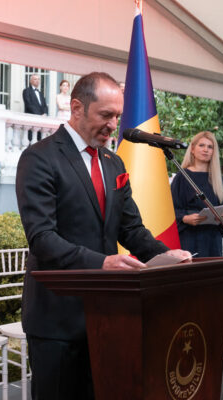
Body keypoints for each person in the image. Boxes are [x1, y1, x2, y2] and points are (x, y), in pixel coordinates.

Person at [15, 72, 191, 400]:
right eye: (106, 115)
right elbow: (42, 238)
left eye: (117, 117)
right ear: (77, 108)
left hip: (108, 316)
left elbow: (131, 229)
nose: (113, 125)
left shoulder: (113, 162)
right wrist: (102, 263)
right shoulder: (39, 157)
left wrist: (165, 255)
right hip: (57, 320)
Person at [170, 131, 223, 257]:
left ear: (213, 152)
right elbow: (170, 209)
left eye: (210, 147)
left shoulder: (218, 179)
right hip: (189, 238)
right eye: (201, 145)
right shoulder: (182, 177)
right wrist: (185, 218)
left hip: (213, 239)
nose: (206, 150)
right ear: (192, 149)